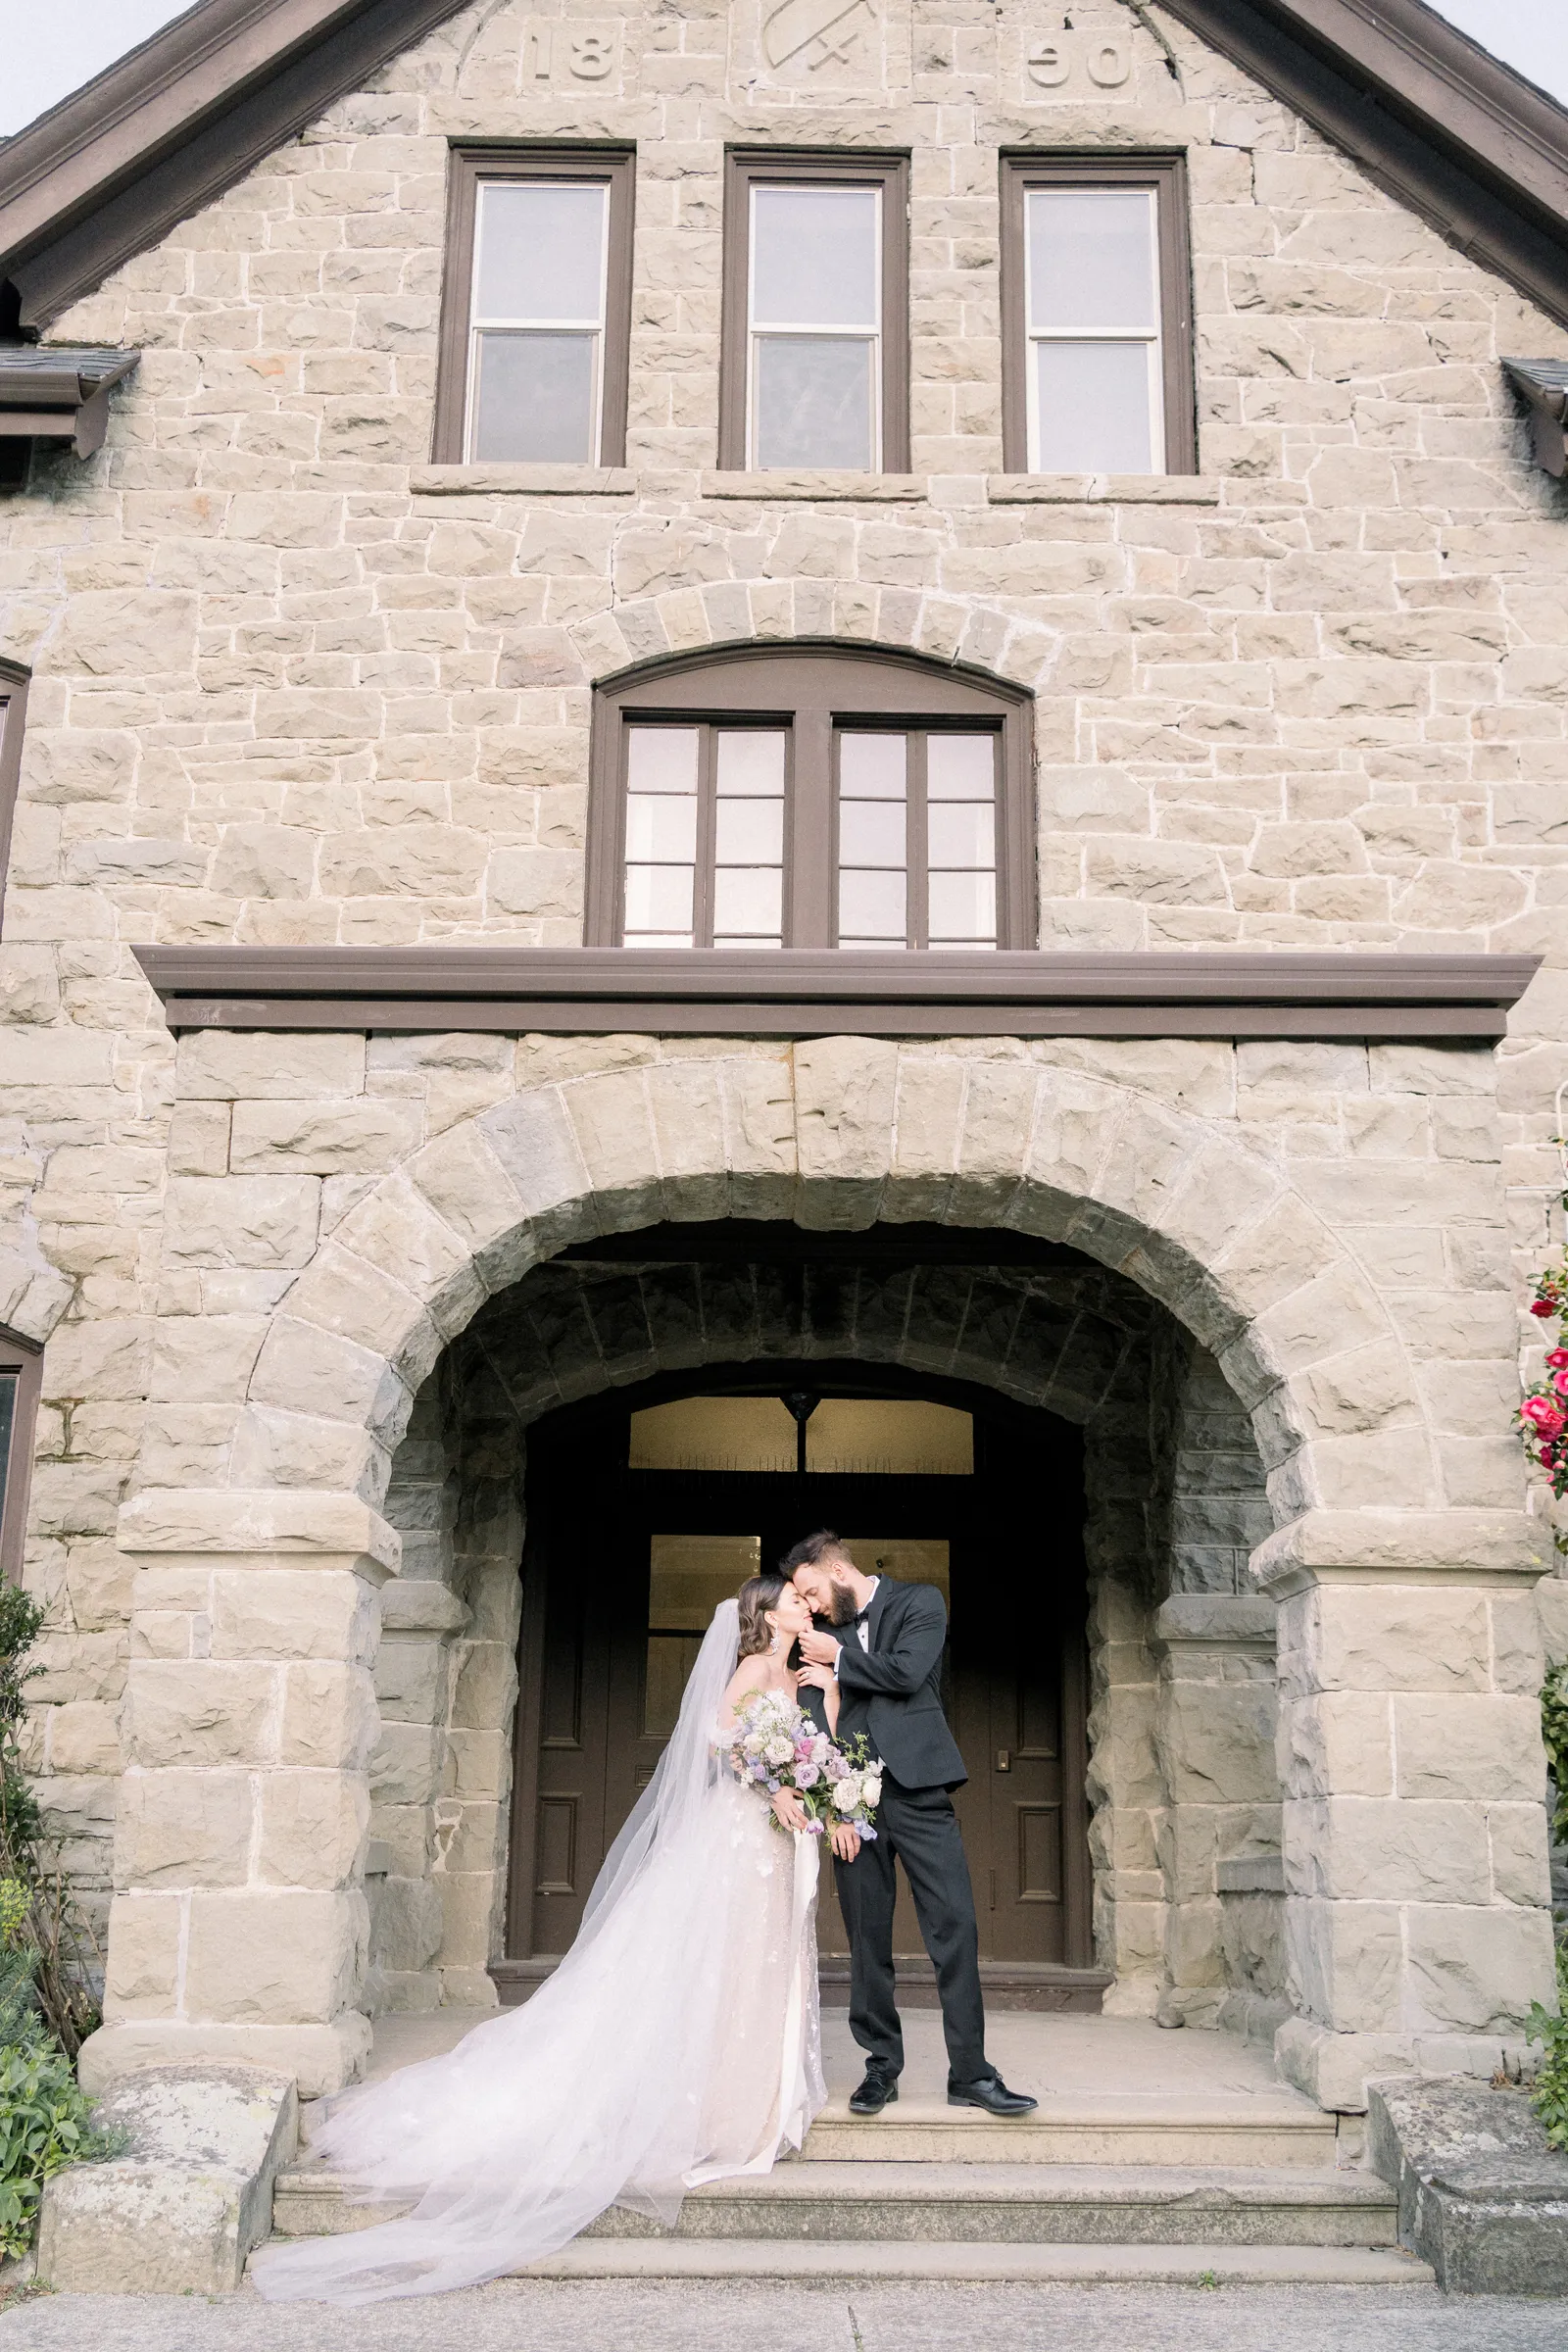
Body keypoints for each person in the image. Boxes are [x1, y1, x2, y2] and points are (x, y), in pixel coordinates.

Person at [251, 1571, 859, 2305]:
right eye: (793, 1599)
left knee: (758, 1968)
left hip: (776, 1842)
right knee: (719, 1967)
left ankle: (749, 2107)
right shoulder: (754, 1667)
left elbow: (812, 1740)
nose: (806, 1604)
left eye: (805, 1598)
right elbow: (717, 1738)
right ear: (765, 1615)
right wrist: (776, 1786)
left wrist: (823, 1705)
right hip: (743, 1832)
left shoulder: (795, 1672)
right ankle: (713, 2113)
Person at [786, 1529, 1038, 2121]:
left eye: (813, 1591)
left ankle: (971, 2074)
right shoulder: (821, 1637)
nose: (811, 1607)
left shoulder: (920, 1602)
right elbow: (812, 1715)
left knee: (955, 1928)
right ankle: (880, 2069)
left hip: (921, 1792)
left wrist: (840, 1663)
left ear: (838, 1572)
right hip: (855, 1805)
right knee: (867, 1939)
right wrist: (836, 1806)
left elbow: (906, 1674)